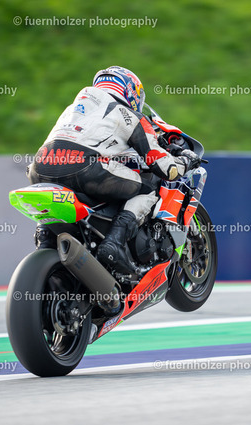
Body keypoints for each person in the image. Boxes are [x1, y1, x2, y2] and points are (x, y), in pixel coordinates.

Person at [27, 66, 199, 275]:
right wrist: (185, 161)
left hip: (38, 168)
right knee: (148, 188)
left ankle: (46, 236)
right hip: (84, 167)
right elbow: (164, 167)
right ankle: (114, 244)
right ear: (130, 92)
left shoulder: (73, 109)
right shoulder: (128, 114)